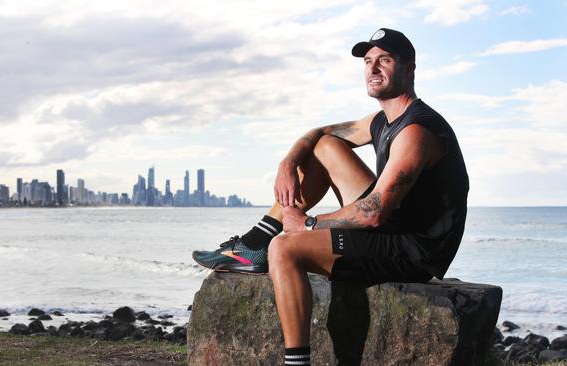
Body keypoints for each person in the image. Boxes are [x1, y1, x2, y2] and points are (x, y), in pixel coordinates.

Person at [192, 28, 469, 366]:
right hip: (392, 227)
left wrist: (307, 225)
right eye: (368, 62)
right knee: (324, 148)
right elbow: (320, 133)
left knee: (285, 248)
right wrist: (288, 161)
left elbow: (374, 212)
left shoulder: (417, 130)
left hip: (411, 250)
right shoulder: (384, 120)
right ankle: (255, 242)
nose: (373, 69)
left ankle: (297, 361)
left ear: (409, 69)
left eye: (384, 60)